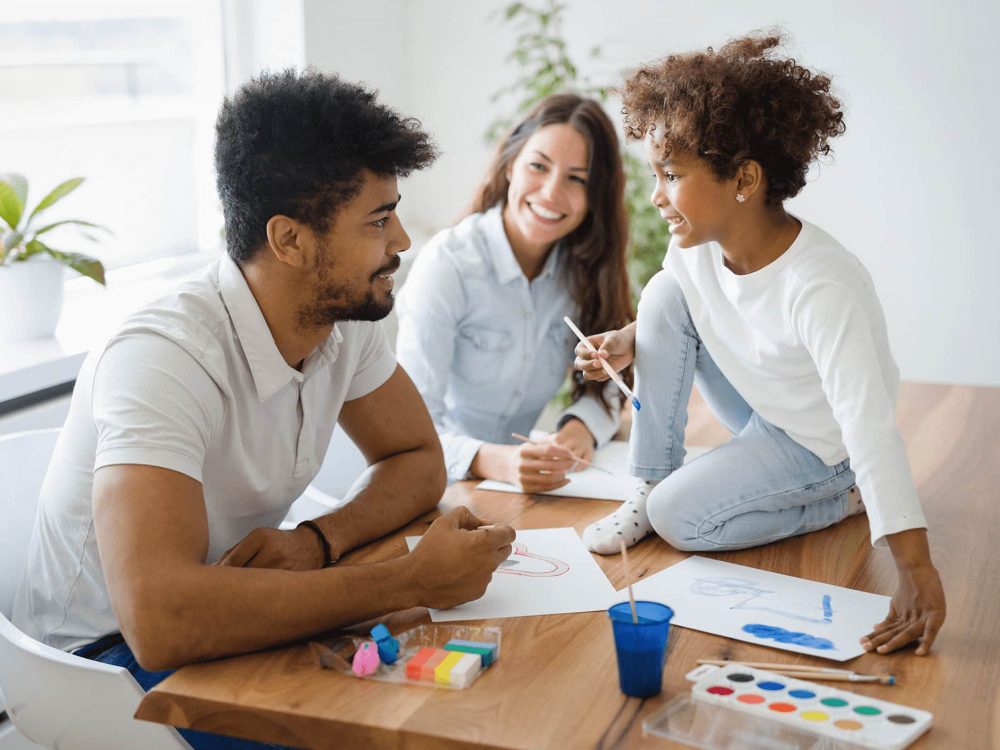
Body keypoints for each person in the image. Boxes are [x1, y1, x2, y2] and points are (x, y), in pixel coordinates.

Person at [12, 69, 515, 748]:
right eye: (377, 219)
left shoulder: (345, 318)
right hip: (106, 666)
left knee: (465, 701)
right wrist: (406, 580)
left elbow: (416, 459)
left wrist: (318, 541)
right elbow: (158, 621)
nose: (400, 240)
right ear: (291, 242)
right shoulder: (163, 354)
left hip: (230, 620)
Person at [574, 36, 946, 655]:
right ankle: (645, 486)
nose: (655, 197)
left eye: (671, 176)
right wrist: (630, 341)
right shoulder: (696, 250)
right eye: (655, 176)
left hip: (822, 445)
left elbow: (869, 425)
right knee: (666, 293)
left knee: (681, 519)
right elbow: (702, 314)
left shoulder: (822, 284)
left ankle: (839, 499)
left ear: (743, 178)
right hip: (763, 409)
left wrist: (915, 567)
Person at [396, 93, 633, 493]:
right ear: (510, 165)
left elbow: (609, 378)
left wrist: (582, 427)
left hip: (517, 492)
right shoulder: (449, 264)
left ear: (596, 196)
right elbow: (407, 428)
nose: (551, 193)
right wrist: (494, 461)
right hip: (434, 482)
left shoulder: (587, 269)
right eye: (538, 166)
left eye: (577, 178)